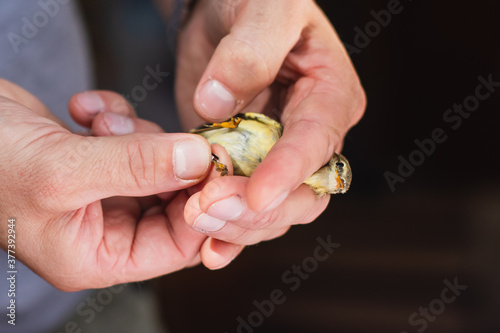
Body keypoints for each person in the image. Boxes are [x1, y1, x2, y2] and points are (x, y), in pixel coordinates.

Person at [0, 0, 365, 331]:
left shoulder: (290, 165)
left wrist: (198, 7)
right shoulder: (272, 132)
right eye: (336, 172)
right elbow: (223, 131)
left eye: (337, 182)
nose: (332, 181)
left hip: (86, 296)